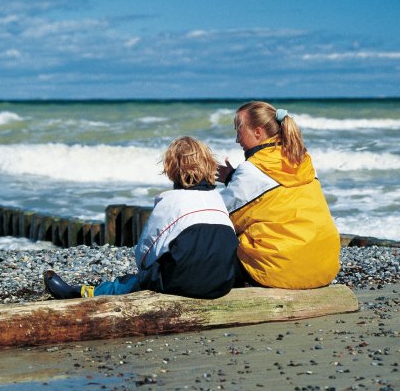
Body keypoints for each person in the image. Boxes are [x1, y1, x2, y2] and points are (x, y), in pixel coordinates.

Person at [44, 136, 250, 300]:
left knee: (133, 281)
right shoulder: (218, 200)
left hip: (182, 283)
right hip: (221, 283)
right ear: (208, 166)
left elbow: (145, 251)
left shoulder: (170, 201)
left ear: (170, 168)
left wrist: (147, 273)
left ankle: (84, 293)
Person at [217, 101, 340, 289]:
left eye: (239, 130)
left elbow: (222, 218)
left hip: (282, 269)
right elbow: (274, 196)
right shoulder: (301, 160)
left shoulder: (252, 170)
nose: (237, 139)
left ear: (258, 132)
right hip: (325, 267)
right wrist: (233, 178)